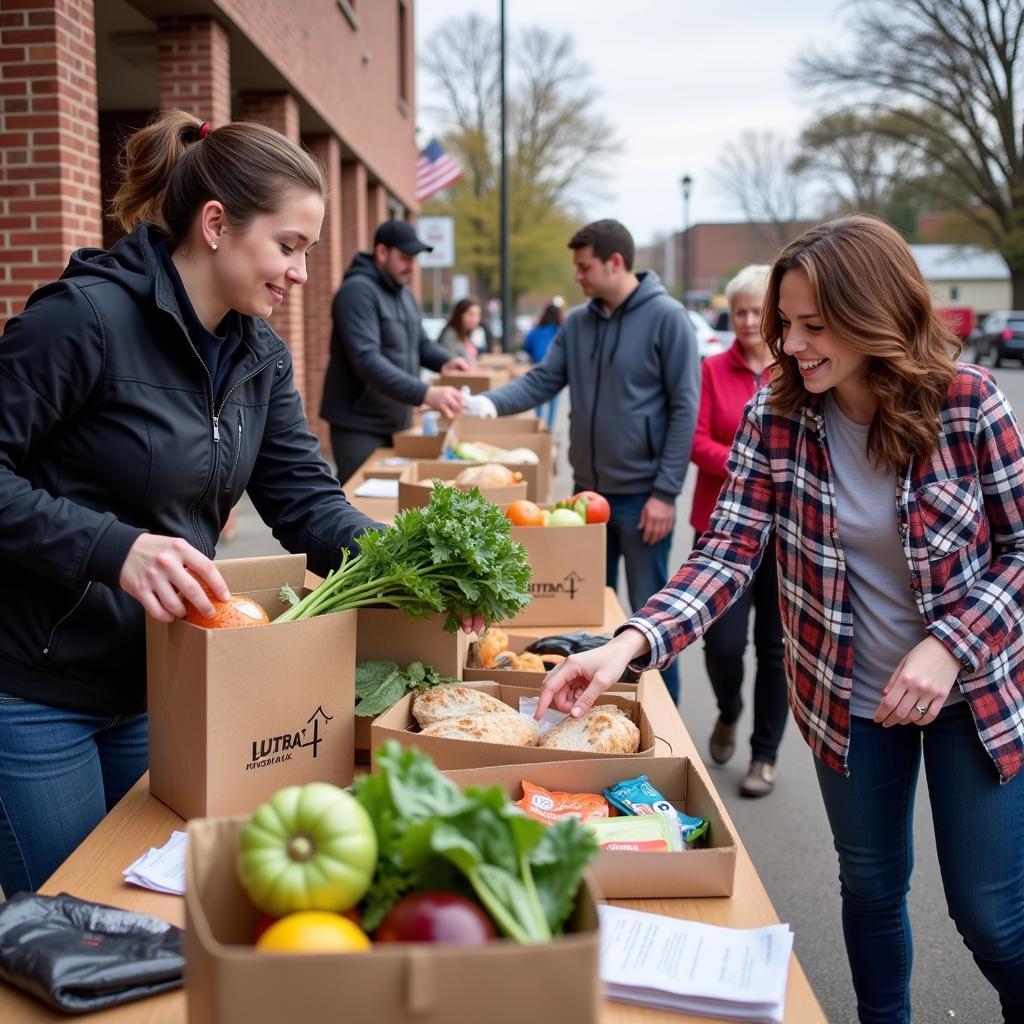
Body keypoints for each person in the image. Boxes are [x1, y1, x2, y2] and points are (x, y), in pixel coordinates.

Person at [537, 214, 1024, 1024]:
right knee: (870, 887)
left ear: (876, 313)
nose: (789, 344)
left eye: (813, 326)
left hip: (972, 702)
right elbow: (726, 552)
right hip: (846, 700)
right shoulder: (779, 414)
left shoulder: (969, 405)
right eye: (784, 322)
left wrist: (949, 645)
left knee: (990, 915)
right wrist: (626, 645)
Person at [0, 111, 481, 899]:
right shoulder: (81, 320)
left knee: (157, 916)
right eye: (288, 247)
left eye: (308, 252)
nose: (299, 273)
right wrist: (113, 547)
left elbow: (306, 500)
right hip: (35, 694)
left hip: (163, 682)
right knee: (76, 924)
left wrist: (416, 571)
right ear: (216, 224)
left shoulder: (259, 354)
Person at [467, 219, 699, 702]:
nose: (577, 276)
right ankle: (600, 709)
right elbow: (542, 380)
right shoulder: (579, 323)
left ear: (616, 263)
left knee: (652, 622)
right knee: (591, 616)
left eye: (584, 266)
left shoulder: (668, 319)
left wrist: (665, 493)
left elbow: (685, 409)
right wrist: (489, 404)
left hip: (642, 499)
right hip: (586, 498)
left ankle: (665, 720)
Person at [690, 264, 787, 798]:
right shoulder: (712, 370)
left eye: (758, 311)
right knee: (722, 643)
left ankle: (764, 756)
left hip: (784, 537)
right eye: (740, 311)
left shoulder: (794, 370)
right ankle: (729, 710)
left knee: (775, 649)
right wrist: (751, 464)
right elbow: (697, 442)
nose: (749, 321)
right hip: (723, 527)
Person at [320, 219, 470, 484]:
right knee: (358, 506)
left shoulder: (404, 295)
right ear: (381, 252)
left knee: (393, 507)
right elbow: (366, 360)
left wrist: (445, 361)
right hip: (359, 425)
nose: (411, 266)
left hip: (397, 422)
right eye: (404, 257)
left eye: (414, 258)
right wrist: (425, 393)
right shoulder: (356, 292)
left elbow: (420, 343)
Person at [522, 300, 565, 428]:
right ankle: (549, 428)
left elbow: (526, 346)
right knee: (553, 400)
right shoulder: (560, 330)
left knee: (538, 398)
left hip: (538, 366)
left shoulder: (536, 330)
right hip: (556, 369)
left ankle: (539, 424)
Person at [437, 296, 482, 365]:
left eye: (477, 315)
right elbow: (450, 362)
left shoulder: (467, 335)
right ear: (459, 315)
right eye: (470, 314)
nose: (474, 319)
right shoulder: (450, 335)